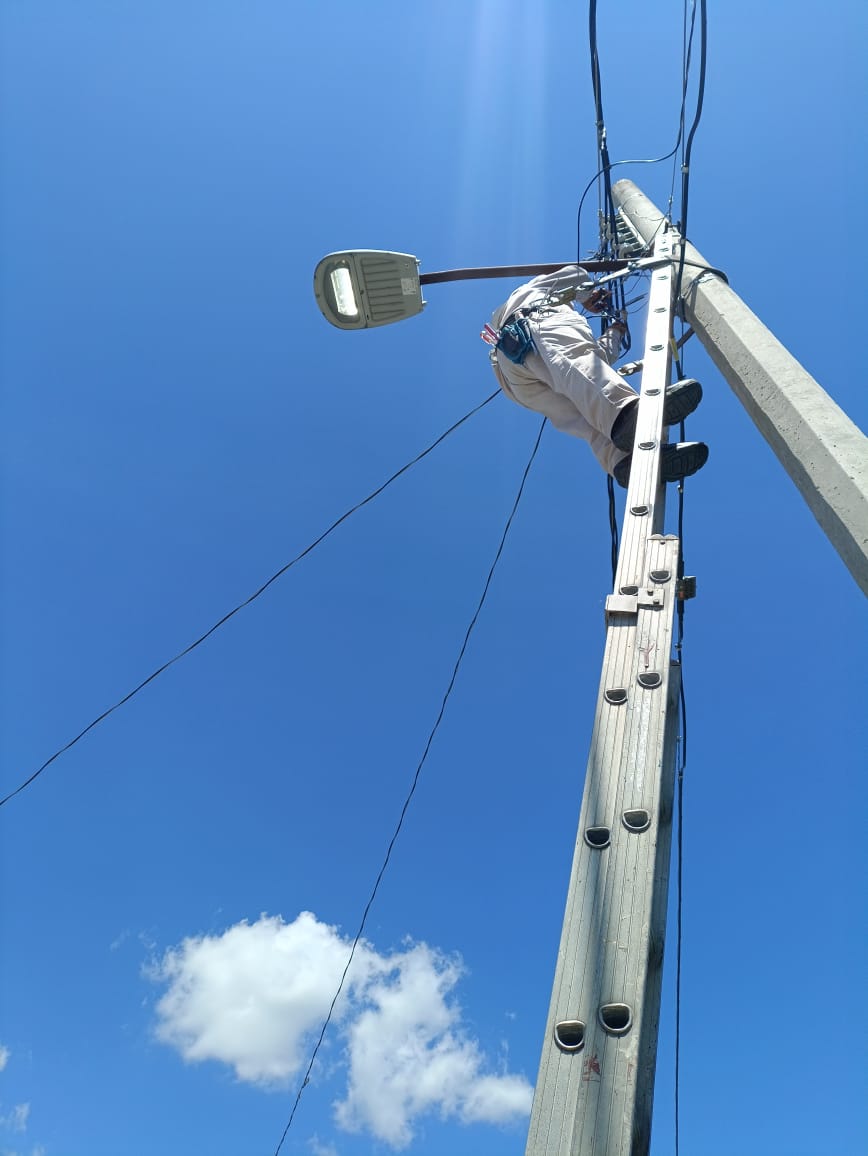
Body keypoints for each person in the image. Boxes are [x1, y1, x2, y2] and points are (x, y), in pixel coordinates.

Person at [485, 265, 708, 487]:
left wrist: (616, 331)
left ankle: (621, 461)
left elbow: (596, 363)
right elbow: (578, 274)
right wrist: (588, 295)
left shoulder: (551, 331)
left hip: (515, 380)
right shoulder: (537, 292)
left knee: (583, 412)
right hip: (532, 325)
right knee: (580, 368)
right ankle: (626, 415)